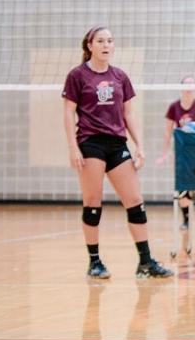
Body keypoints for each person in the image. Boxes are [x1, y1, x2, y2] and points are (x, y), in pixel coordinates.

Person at [62, 26, 173, 279]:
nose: (106, 45)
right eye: (100, 40)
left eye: (110, 41)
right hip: (90, 142)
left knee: (135, 202)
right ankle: (94, 262)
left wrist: (139, 145)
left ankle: (145, 262)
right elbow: (68, 113)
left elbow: (128, 114)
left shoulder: (120, 76)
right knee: (92, 202)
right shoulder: (77, 76)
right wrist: (72, 147)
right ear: (90, 45)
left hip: (116, 143)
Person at [157, 75, 195, 230]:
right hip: (181, 153)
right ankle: (186, 219)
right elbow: (168, 132)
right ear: (181, 87)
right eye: (186, 84)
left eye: (192, 84)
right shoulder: (174, 107)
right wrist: (164, 153)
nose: (189, 87)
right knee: (183, 186)